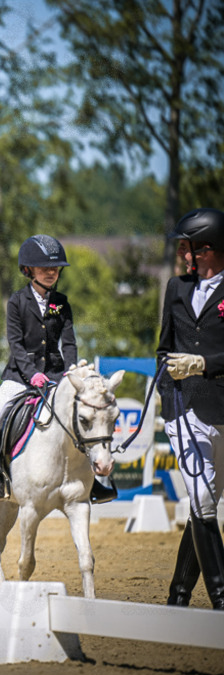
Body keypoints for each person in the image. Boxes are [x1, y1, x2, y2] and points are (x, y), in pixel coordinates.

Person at [0, 235, 119, 503]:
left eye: (55, 269)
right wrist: (31, 372)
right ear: (28, 270)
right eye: (44, 268)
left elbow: (69, 343)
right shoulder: (17, 302)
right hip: (21, 375)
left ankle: (94, 482)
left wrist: (71, 374)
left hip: (56, 374)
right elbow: (15, 343)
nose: (51, 273)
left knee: (82, 415)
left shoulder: (61, 303)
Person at [157, 207, 224, 610]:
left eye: (190, 250)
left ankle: (178, 596)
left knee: (205, 506)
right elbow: (164, 347)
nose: (185, 257)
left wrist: (204, 364)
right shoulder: (176, 288)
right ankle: (221, 598)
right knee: (200, 498)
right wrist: (169, 397)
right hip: (185, 410)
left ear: (209, 249)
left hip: (222, 408)